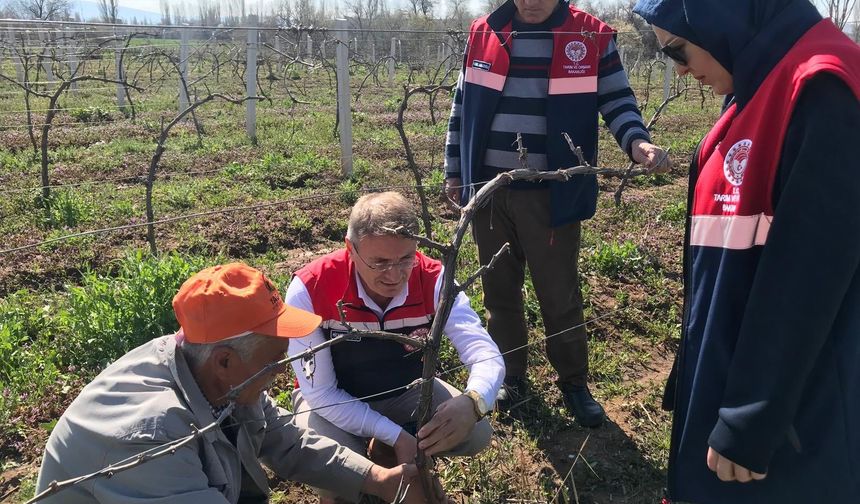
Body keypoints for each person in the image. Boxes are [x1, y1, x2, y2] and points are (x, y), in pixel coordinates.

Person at [631, 1, 860, 502]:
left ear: (719, 16)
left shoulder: (822, 91)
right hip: (733, 382)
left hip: (792, 433)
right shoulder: (756, 83)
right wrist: (691, 371)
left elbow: (806, 280)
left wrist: (750, 418)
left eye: (678, 50)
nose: (680, 70)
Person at [443, 0, 669, 427]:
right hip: (490, 191)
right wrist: (455, 173)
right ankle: (511, 378)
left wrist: (637, 143)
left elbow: (617, 99)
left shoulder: (589, 36)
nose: (530, 2)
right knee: (499, 291)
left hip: (552, 194)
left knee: (559, 293)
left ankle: (573, 382)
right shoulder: (484, 32)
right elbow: (461, 107)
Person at [35, 263, 430, 504]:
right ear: (224, 360)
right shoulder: (149, 437)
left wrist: (381, 480)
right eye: (275, 360)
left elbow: (290, 443)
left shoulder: (217, 372)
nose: (281, 371)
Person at [285, 191, 504, 503]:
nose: (395, 275)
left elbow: (484, 352)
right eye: (379, 262)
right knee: (329, 464)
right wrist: (397, 434)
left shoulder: (434, 279)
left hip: (405, 391)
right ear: (350, 249)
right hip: (332, 402)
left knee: (476, 433)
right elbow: (320, 394)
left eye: (405, 259)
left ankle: (390, 458)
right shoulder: (310, 289)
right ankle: (350, 487)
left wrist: (474, 402)